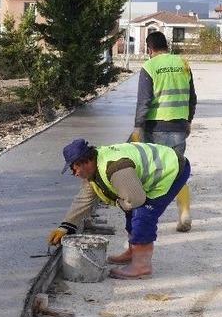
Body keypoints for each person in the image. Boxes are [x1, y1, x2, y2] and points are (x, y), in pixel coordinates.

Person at [48, 138, 191, 279]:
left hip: (171, 170)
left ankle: (142, 267)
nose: (74, 174)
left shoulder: (114, 168)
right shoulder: (94, 170)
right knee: (131, 210)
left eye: (73, 169)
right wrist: (65, 226)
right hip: (159, 166)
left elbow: (136, 199)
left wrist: (119, 202)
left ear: (84, 162)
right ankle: (132, 252)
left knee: (143, 215)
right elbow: (83, 199)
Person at [131, 31, 196, 232]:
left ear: (149, 49)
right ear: (166, 45)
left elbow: (144, 101)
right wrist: (188, 120)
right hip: (178, 126)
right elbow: (192, 97)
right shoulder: (183, 63)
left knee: (155, 173)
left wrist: (137, 127)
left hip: (155, 127)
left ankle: (148, 218)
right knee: (177, 170)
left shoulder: (149, 67)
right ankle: (184, 213)